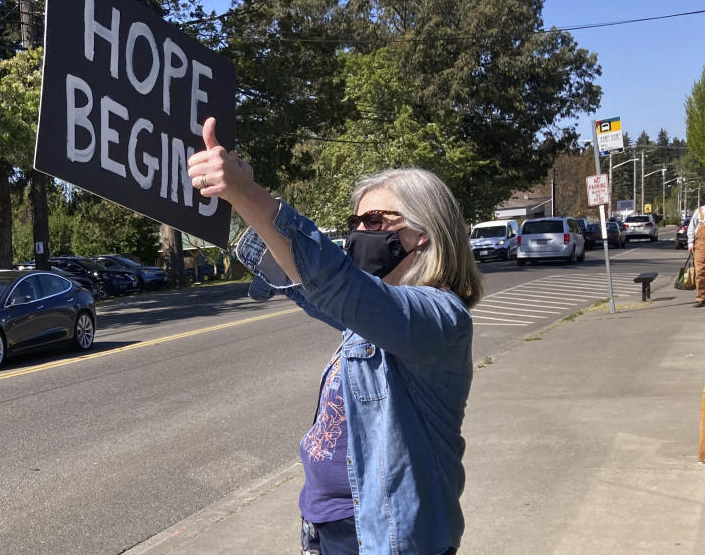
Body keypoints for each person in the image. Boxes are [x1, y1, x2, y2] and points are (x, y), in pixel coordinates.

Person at [187, 118, 483, 555]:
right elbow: (307, 283)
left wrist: (247, 194)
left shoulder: (438, 318)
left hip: (383, 540)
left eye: (375, 220)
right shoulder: (374, 314)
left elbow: (330, 281)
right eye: (355, 221)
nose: (358, 233)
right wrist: (239, 198)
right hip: (329, 528)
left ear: (422, 233)